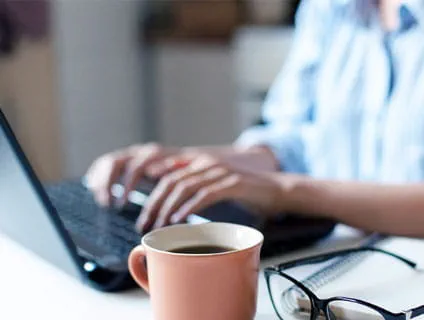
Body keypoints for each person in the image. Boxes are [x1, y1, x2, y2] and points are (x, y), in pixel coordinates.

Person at [86, 0, 424, 237]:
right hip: (338, 258)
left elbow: (290, 182)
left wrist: (289, 191)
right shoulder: (328, 9)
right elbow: (297, 141)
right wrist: (192, 163)